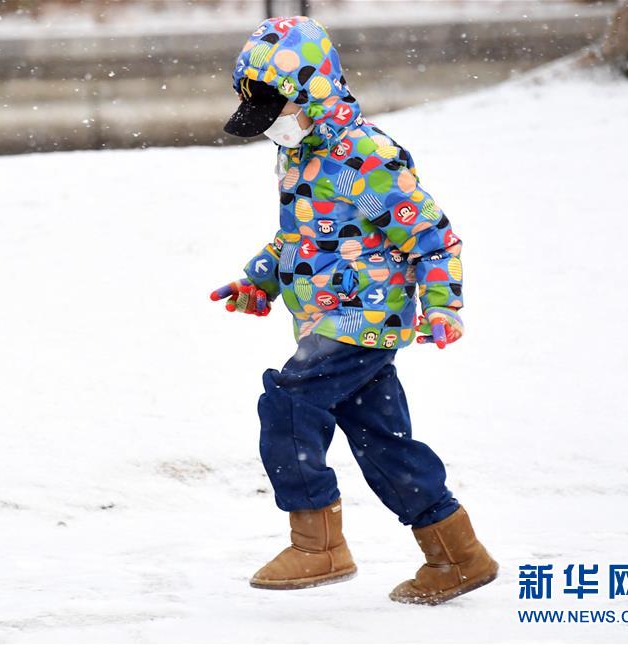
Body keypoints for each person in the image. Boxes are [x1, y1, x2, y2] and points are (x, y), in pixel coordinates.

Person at [210, 16, 498, 604]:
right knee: (383, 443)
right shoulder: (306, 158)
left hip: (360, 320)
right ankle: (457, 556)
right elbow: (305, 239)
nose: (273, 132)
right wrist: (260, 280)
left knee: (287, 404)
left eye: (277, 115)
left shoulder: (363, 156)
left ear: (313, 93)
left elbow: (431, 237)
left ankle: (318, 545)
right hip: (330, 317)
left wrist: (442, 305)